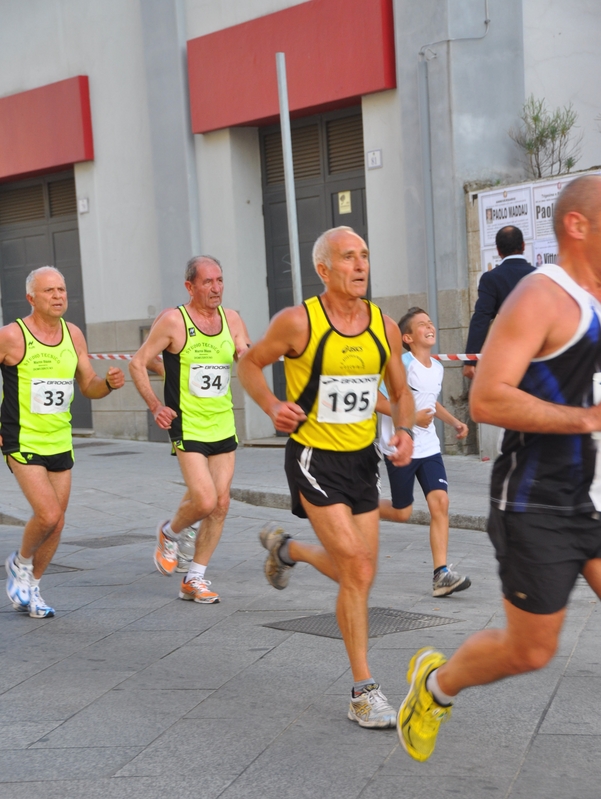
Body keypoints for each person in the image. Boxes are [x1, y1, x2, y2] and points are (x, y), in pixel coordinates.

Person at [398, 174, 601, 762]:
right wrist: (586, 419)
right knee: (531, 650)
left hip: (594, 497)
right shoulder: (542, 296)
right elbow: (487, 397)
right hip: (540, 502)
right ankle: (434, 688)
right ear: (577, 225)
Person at [237, 226, 415, 729]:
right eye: (348, 258)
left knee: (359, 573)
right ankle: (364, 690)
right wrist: (272, 404)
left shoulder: (381, 322)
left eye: (364, 256)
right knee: (357, 567)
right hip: (314, 458)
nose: (360, 266)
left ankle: (286, 550)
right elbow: (249, 364)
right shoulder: (299, 322)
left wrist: (402, 431)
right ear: (323, 269)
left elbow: (400, 391)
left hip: (362, 461)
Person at [1, 266, 125, 618]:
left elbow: (88, 385)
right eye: (49, 291)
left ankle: (33, 587)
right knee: (48, 513)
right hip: (21, 438)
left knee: (58, 522)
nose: (58, 296)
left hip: (61, 439)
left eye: (61, 290)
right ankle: (20, 564)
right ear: (31, 298)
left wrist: (109, 384)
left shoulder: (73, 334)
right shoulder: (12, 335)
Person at [129, 255, 251, 604]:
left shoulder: (233, 319)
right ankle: (169, 533)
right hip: (188, 423)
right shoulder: (173, 321)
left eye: (220, 281)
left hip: (223, 421)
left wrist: (250, 355)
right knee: (205, 499)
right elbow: (139, 362)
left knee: (221, 503)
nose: (216, 288)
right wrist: (156, 404)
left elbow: (244, 353)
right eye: (208, 282)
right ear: (190, 286)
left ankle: (194, 577)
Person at [378, 307, 470, 596]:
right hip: (400, 445)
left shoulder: (438, 368)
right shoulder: (401, 364)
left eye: (431, 323)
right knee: (402, 512)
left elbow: (431, 402)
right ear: (407, 337)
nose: (430, 327)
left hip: (429, 447)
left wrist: (454, 421)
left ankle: (441, 574)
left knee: (440, 503)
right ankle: (360, 502)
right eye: (421, 325)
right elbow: (376, 400)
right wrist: (410, 419)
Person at [463, 226, 535, 380]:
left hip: (507, 357)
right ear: (523, 245)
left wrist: (470, 359)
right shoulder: (539, 275)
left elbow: (481, 318)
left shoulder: (491, 278)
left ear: (498, 250)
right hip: (538, 353)